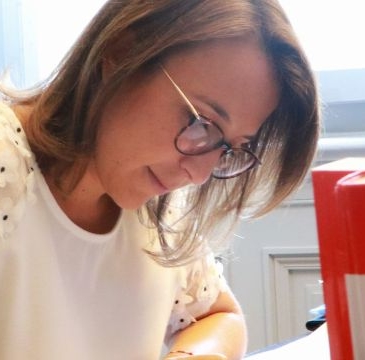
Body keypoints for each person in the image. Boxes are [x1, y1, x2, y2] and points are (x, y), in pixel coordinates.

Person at [0, 0, 319, 359]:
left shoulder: (158, 210)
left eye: (229, 147)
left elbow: (218, 315)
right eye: (202, 123)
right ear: (122, 53)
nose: (199, 175)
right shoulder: (7, 167)